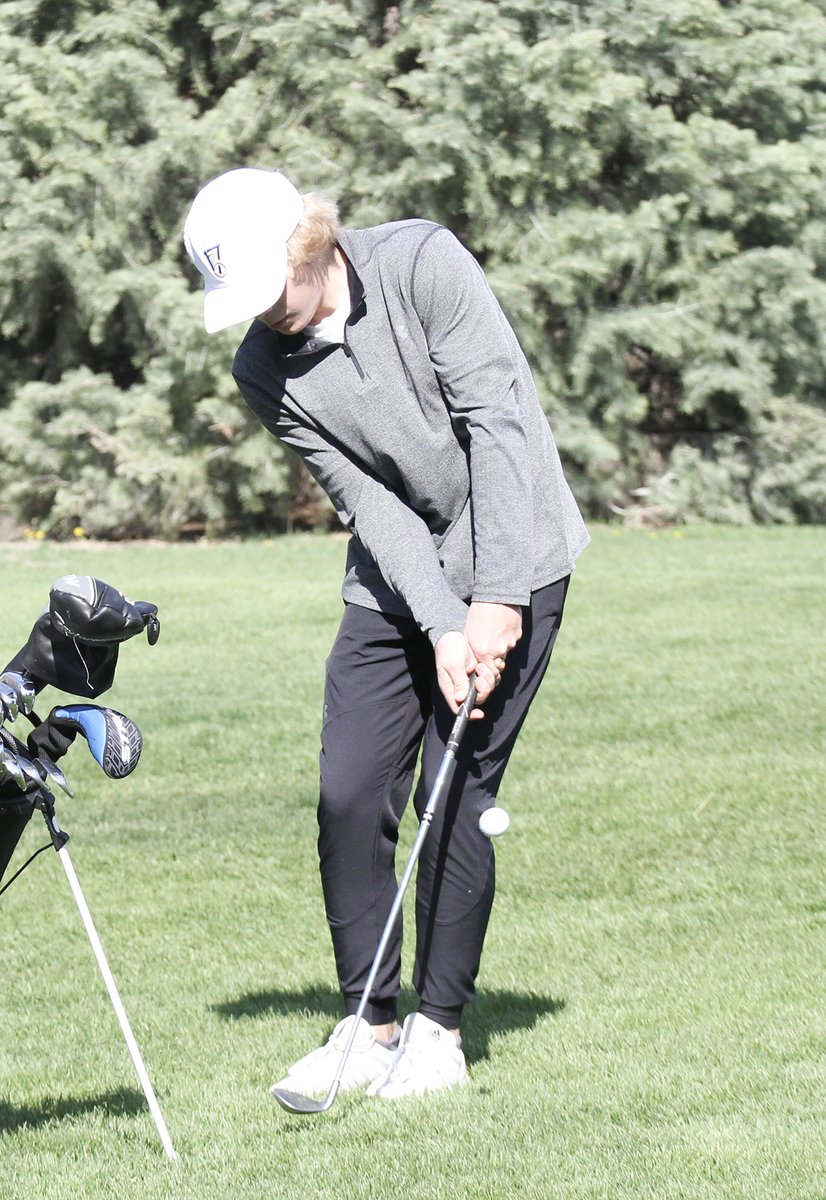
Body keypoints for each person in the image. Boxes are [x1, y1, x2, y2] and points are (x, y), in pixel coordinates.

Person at [183, 167, 589, 1100]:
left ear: (310, 242)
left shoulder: (422, 265)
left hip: (517, 544)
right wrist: (442, 622)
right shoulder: (262, 368)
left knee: (455, 788)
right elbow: (370, 501)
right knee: (349, 788)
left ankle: (437, 1036)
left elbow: (499, 427)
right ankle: (368, 1027)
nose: (265, 314)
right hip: (395, 574)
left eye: (270, 286)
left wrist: (497, 598)